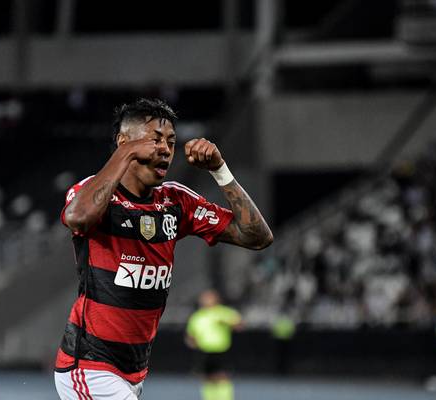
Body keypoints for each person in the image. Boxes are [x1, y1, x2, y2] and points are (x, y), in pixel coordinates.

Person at [54, 98, 273, 400]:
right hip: (90, 364)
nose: (165, 149)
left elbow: (258, 236)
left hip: (133, 371)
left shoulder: (175, 202)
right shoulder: (94, 193)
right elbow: (77, 218)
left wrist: (220, 170)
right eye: (154, 139)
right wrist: (129, 151)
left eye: (170, 141)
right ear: (123, 142)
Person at [186, 289, 242, 400]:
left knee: (222, 376)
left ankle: (225, 398)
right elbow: (191, 335)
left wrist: (228, 323)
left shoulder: (223, 312)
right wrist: (192, 342)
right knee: (207, 377)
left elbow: (239, 325)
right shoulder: (197, 316)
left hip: (221, 350)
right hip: (205, 350)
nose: (205, 301)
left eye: (208, 298)